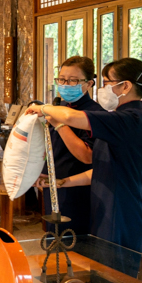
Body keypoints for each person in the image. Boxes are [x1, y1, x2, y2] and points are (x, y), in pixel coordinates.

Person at [26, 57, 142, 253]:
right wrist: (63, 181)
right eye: (61, 79)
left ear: (125, 86)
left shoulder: (131, 119)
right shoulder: (117, 120)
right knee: (95, 270)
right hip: (104, 204)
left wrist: (42, 108)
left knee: (114, 275)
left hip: (121, 209)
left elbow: (70, 118)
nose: (103, 90)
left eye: (106, 83)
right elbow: (104, 168)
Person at [34, 56, 104, 235]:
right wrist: (40, 171)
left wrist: (60, 123)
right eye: (62, 79)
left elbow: (87, 156)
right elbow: (52, 147)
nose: (66, 84)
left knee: (75, 241)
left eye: (73, 80)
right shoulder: (59, 107)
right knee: (54, 237)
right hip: (54, 184)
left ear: (89, 84)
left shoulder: (95, 114)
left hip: (80, 188)